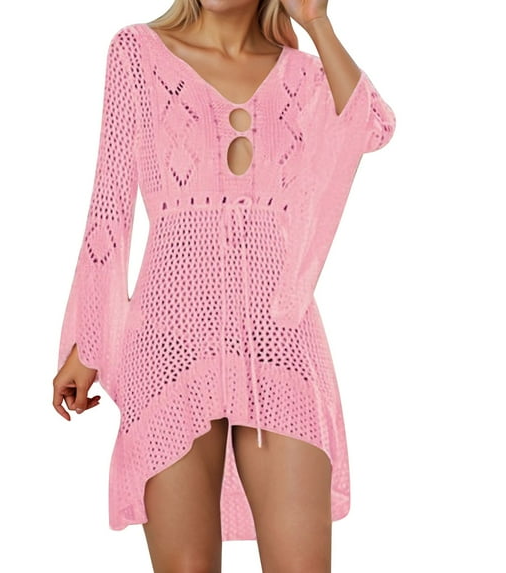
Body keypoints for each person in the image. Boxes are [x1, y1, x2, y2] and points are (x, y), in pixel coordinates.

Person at [52, 1, 396, 571]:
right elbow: (109, 204)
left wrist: (316, 22)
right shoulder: (137, 51)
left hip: (279, 340)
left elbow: (373, 125)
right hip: (167, 341)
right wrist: (87, 337)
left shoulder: (305, 75)